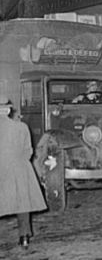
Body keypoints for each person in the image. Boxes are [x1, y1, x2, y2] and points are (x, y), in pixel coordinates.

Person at [0, 95, 47, 248]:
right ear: (7, 110)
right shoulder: (21, 127)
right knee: (22, 203)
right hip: (18, 167)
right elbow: (28, 151)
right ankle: (24, 237)